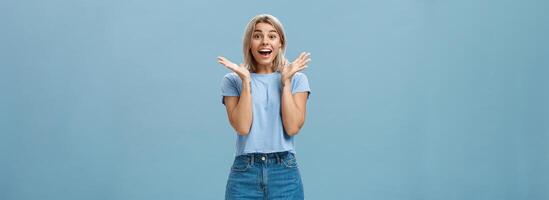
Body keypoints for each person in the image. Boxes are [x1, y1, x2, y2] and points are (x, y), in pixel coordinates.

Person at [217, 14, 311, 200]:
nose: (264, 42)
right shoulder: (233, 80)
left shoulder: (297, 79)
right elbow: (242, 127)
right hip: (245, 172)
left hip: (284, 170)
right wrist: (246, 82)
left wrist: (286, 82)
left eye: (272, 36)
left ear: (280, 43)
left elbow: (292, 127)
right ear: (249, 43)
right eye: (257, 36)